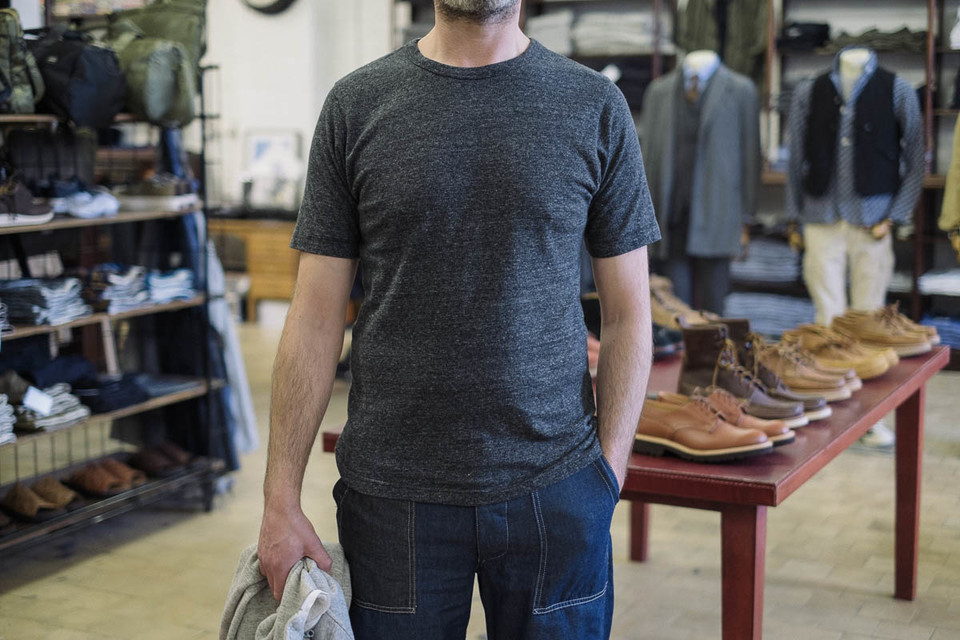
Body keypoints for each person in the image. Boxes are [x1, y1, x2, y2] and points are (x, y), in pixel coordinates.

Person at [257, 0, 661, 637]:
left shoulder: (594, 106)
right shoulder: (356, 105)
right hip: (393, 500)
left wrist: (605, 476)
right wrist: (280, 498)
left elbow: (629, 313)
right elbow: (312, 317)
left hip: (556, 490)